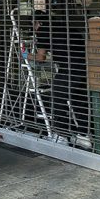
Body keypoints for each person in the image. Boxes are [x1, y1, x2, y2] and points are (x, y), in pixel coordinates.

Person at [32, 9, 91, 148]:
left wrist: (26, 55)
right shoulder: (64, 26)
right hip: (84, 67)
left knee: (57, 99)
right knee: (79, 100)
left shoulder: (43, 30)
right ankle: (84, 136)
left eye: (33, 25)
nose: (33, 29)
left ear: (37, 23)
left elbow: (41, 58)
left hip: (69, 69)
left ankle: (61, 136)